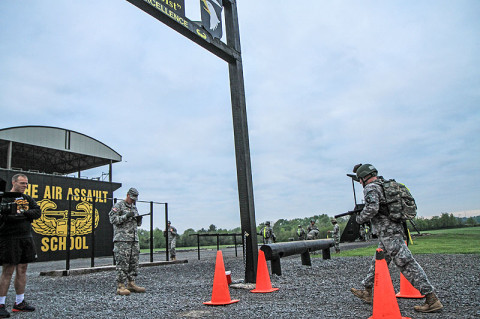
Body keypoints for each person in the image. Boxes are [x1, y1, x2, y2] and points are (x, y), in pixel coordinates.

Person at [350, 164, 443, 313]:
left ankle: (432, 299)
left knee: (406, 264)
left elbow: (372, 209)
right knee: (378, 262)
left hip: (389, 233)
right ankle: (368, 290)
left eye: (360, 179)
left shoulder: (371, 188)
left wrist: (359, 219)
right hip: (391, 230)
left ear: (364, 177)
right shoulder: (384, 185)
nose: (360, 182)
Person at [0, 174, 41, 317]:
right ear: (13, 182)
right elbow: (5, 216)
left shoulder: (27, 199)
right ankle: (1, 304)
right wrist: (23, 215)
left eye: (26, 184)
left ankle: (19, 302)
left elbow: (37, 212)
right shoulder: (4, 198)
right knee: (8, 270)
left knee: (22, 269)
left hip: (26, 238)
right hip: (9, 238)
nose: (25, 186)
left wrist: (20, 213)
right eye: (22, 183)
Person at [109, 187, 145, 296]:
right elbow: (113, 219)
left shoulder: (134, 207)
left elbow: (137, 224)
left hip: (133, 239)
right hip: (122, 239)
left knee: (134, 262)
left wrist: (139, 219)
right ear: (127, 195)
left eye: (135, 199)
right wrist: (125, 216)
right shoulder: (118, 206)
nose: (133, 201)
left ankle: (131, 283)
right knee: (122, 262)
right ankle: (121, 286)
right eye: (132, 198)